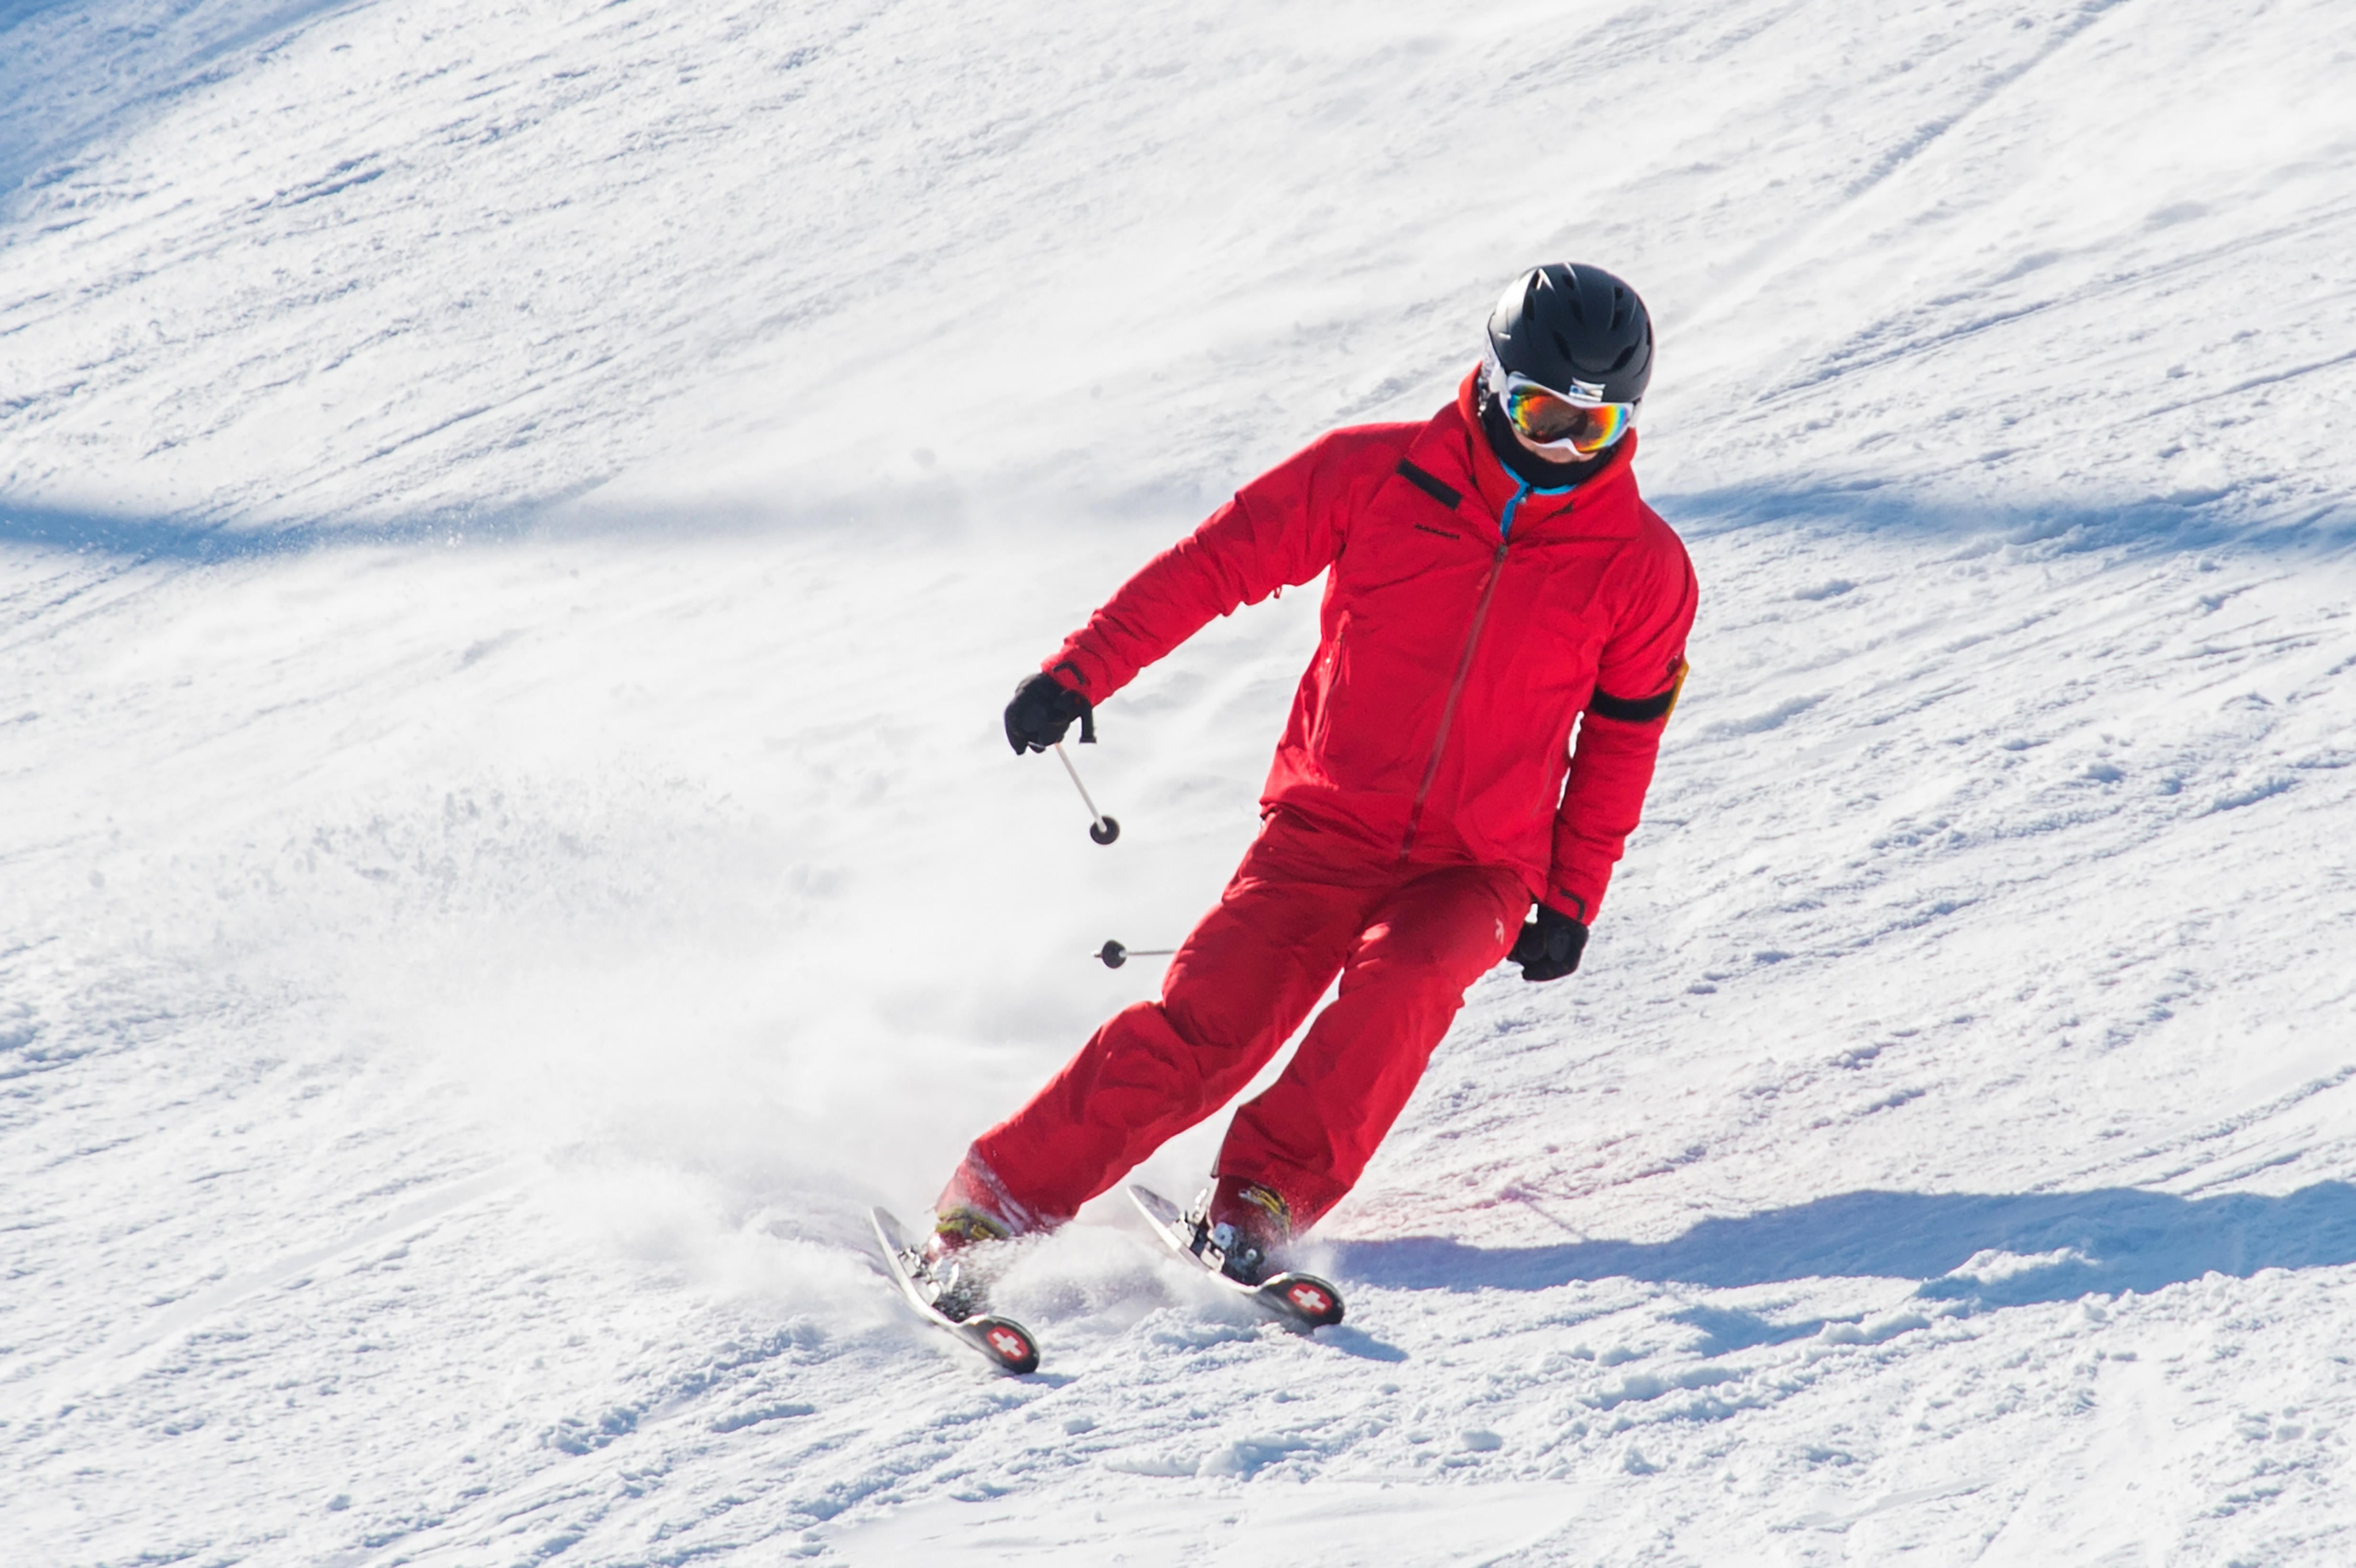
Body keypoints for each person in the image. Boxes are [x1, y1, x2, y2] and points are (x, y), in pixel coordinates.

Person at [930, 263, 1698, 1304]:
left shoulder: (1641, 567)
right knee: (1212, 1022)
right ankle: (1003, 1196)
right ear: (1489, 379)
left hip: (1478, 865)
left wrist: (1570, 897)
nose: (1562, 447)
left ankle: (1265, 1194)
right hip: (1322, 828)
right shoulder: (1373, 475)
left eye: (1592, 430)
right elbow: (1213, 564)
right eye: (1540, 413)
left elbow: (1619, 742)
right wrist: (1083, 670)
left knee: (1402, 987)